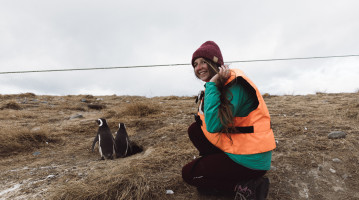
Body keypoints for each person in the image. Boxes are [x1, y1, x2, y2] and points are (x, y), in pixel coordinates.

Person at [182, 41, 276, 200]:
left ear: (216, 63)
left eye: (204, 61)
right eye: (195, 64)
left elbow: (213, 125)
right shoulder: (221, 83)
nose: (199, 67)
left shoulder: (234, 84)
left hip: (252, 159)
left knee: (189, 174)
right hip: (240, 148)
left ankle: (249, 188)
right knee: (195, 129)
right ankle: (217, 166)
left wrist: (212, 85)